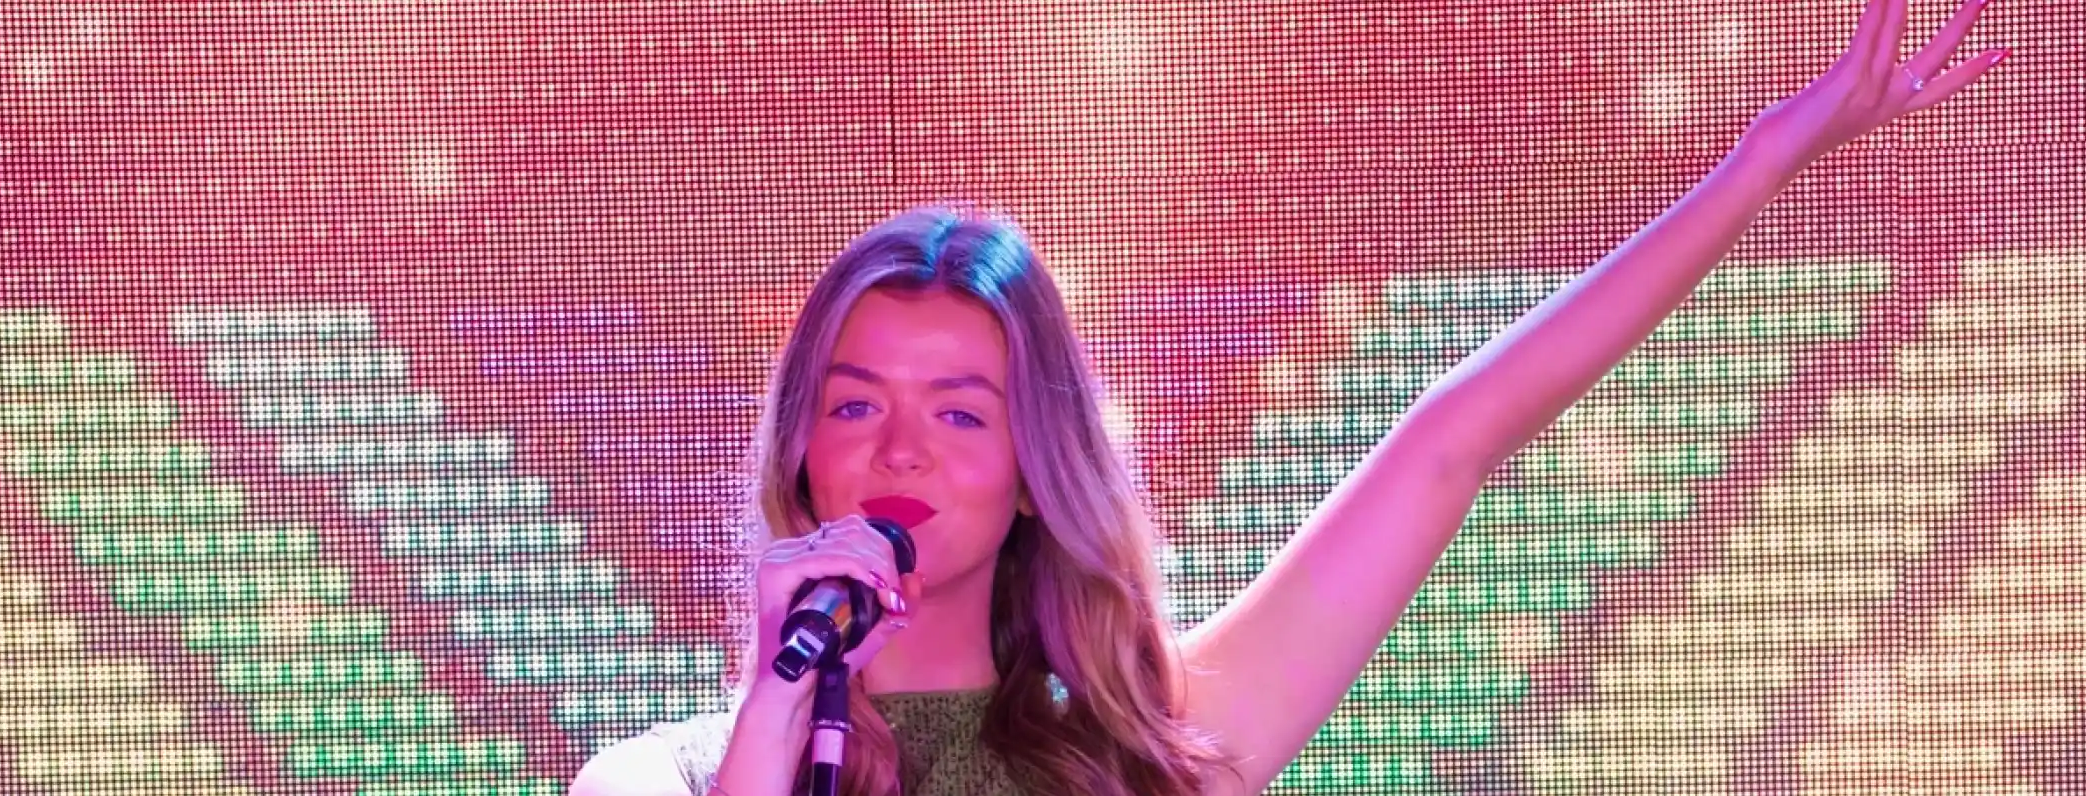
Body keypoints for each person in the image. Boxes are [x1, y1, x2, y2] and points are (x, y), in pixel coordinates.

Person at [573, 2, 2006, 794]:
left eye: (960, 413)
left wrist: (1759, 164)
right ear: (801, 449)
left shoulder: (1145, 751)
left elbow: (1450, 446)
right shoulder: (662, 780)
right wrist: (782, 698)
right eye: (855, 403)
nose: (898, 449)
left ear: (1033, 467)